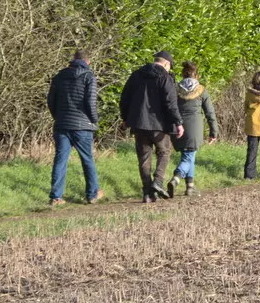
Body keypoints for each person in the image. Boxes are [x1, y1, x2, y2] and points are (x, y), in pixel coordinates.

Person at [118, 50, 183, 203]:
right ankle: (158, 181)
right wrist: (178, 122)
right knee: (164, 152)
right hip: (160, 124)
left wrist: (125, 118)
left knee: (144, 157)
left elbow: (124, 98)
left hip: (139, 123)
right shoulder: (165, 77)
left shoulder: (136, 75)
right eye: (170, 67)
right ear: (166, 64)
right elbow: (171, 103)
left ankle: (147, 193)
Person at [46, 50, 104, 206]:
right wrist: (94, 120)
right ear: (88, 62)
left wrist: (57, 117)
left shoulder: (59, 77)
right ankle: (92, 194)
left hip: (62, 124)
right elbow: (90, 102)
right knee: (87, 159)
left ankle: (55, 197)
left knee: (60, 160)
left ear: (73, 60)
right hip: (83, 125)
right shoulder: (88, 76)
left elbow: (50, 101)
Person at [166, 61, 218, 197]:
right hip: (194, 128)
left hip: (177, 127)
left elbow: (169, 107)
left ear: (183, 74)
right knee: (188, 156)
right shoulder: (201, 90)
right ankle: (176, 178)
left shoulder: (175, 88)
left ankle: (190, 187)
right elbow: (210, 113)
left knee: (189, 155)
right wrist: (214, 132)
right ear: (196, 74)